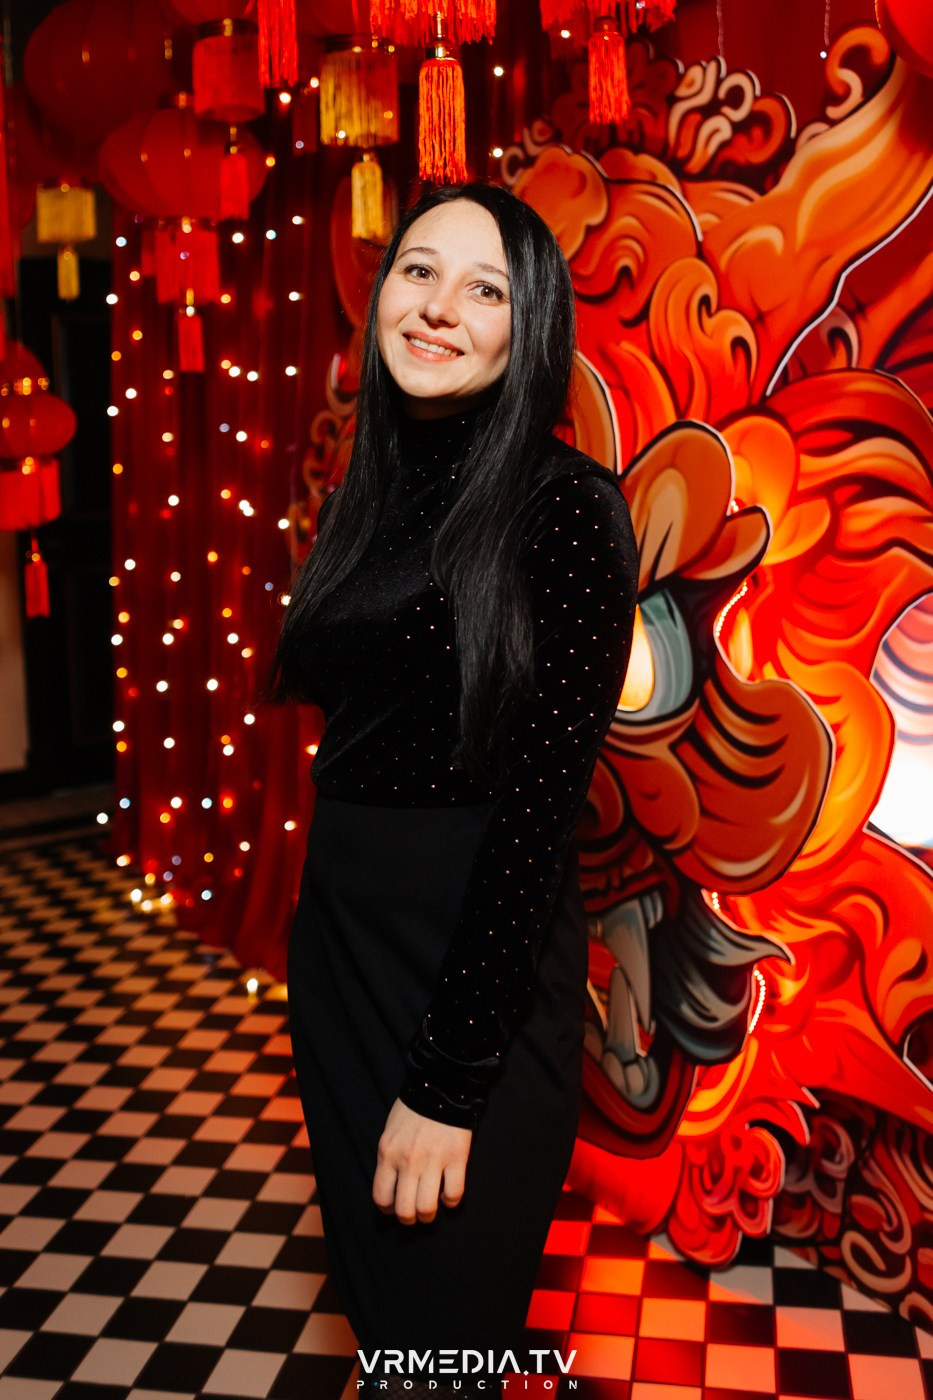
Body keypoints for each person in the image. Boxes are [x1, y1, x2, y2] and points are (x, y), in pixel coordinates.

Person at [267, 180, 639, 1398]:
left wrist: (448, 1078)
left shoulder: (567, 510)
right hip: (342, 961)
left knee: (440, 1357)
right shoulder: (366, 491)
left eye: (486, 290)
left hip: (473, 975)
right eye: (419, 270)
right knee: (398, 1349)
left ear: (529, 331)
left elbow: (537, 818)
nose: (438, 307)